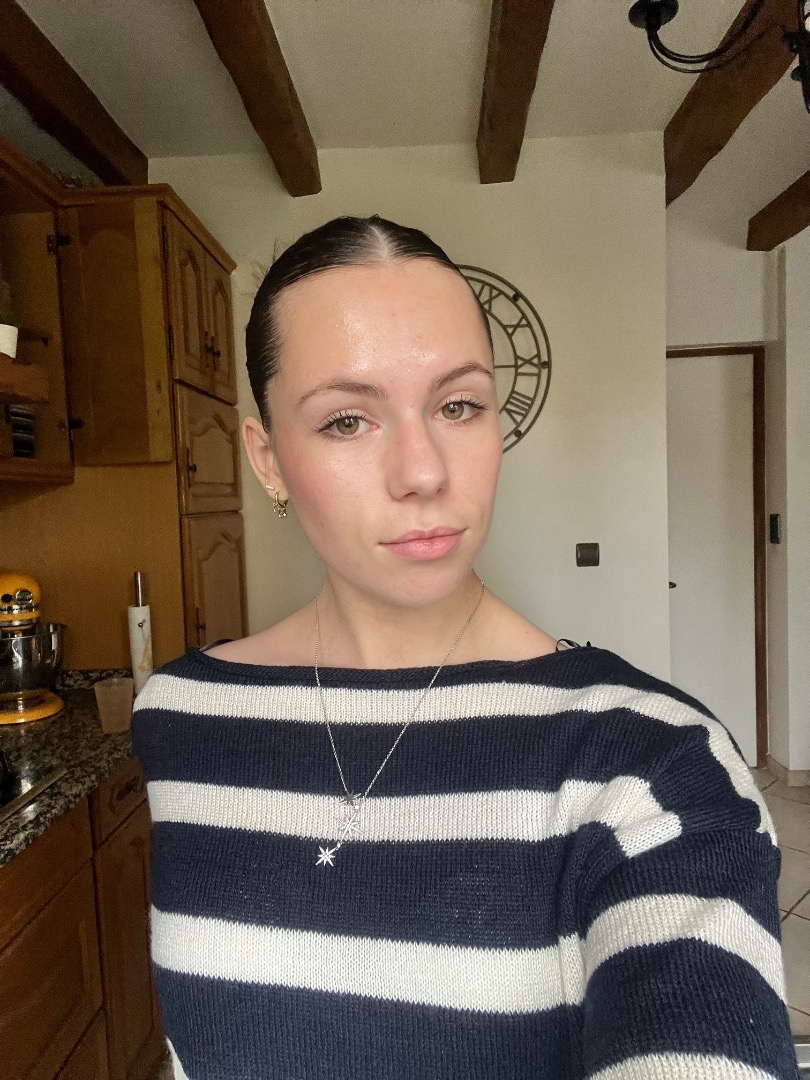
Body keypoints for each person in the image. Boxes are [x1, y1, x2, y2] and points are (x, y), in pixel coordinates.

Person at [131, 216, 799, 1080]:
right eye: (346, 420)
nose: (424, 472)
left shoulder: (652, 764)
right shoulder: (181, 716)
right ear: (266, 460)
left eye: (458, 406)